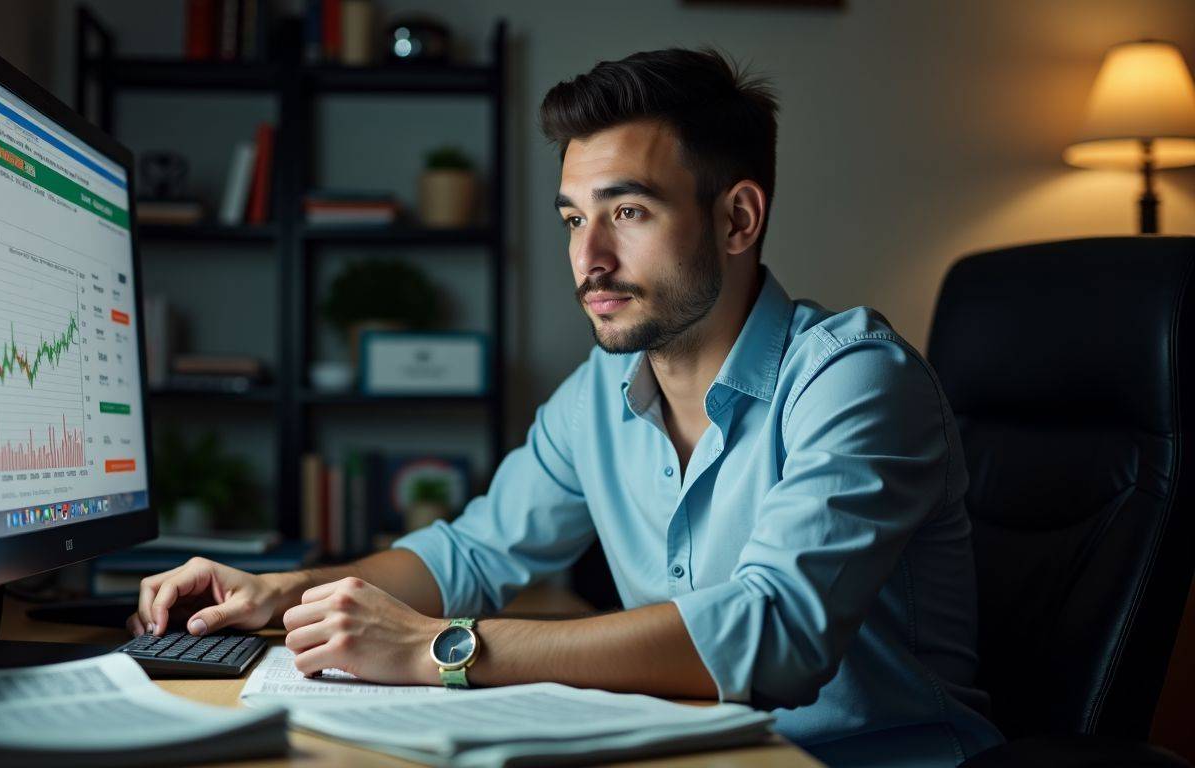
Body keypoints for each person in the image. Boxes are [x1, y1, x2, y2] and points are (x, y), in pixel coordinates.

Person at [129, 48, 1004, 766]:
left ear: (737, 220)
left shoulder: (856, 380)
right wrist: (288, 592)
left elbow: (771, 634)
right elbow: (470, 553)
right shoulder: (598, 393)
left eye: (627, 210)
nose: (588, 257)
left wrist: (440, 650)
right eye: (570, 218)